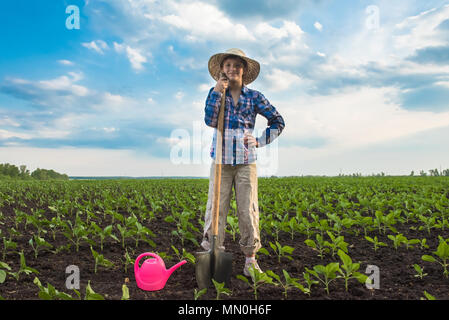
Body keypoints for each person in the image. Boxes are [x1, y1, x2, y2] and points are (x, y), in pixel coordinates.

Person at [202, 48, 285, 278]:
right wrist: (217, 92)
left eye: (236, 65)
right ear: (222, 70)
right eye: (227, 65)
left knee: (247, 211)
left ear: (244, 70)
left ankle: (250, 261)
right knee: (216, 210)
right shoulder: (216, 92)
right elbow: (210, 119)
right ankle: (213, 255)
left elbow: (278, 121)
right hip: (220, 161)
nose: (232, 69)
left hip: (246, 162)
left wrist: (259, 141)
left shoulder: (255, 97)